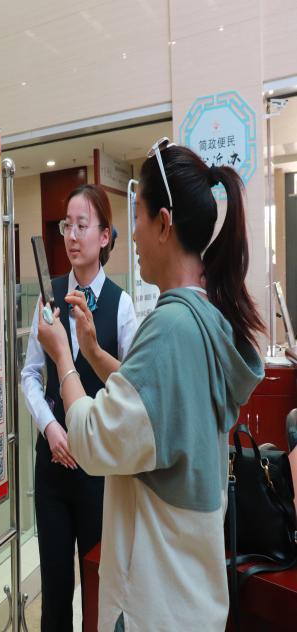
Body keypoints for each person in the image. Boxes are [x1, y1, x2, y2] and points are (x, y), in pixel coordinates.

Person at [37, 139, 265, 632]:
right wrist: (94, 353)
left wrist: (64, 357)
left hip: (155, 597)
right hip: (190, 588)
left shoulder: (170, 328)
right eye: (67, 225)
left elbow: (93, 438)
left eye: (136, 217)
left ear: (163, 224)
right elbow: (155, 406)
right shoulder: (202, 317)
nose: (132, 235)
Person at [21, 184, 137, 631]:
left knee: (98, 587)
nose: (71, 235)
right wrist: (50, 428)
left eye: (82, 225)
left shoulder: (121, 306)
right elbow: (31, 376)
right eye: (66, 225)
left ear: (104, 236)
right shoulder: (48, 295)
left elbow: (130, 387)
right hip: (52, 468)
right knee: (54, 590)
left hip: (99, 474)